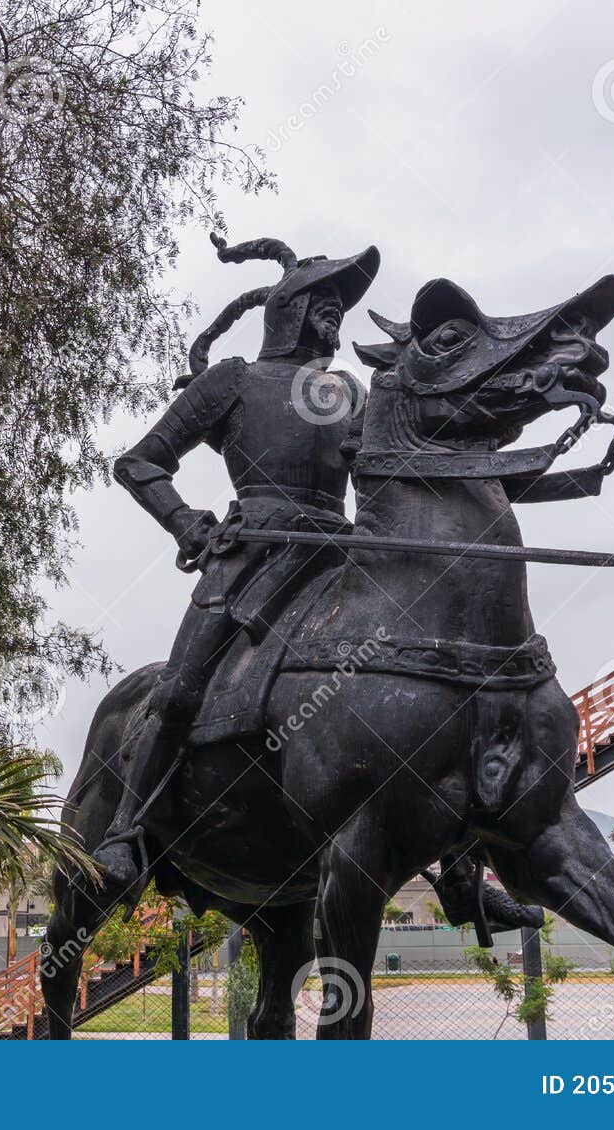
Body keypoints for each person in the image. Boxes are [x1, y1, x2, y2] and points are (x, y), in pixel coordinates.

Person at [90, 234, 380, 890]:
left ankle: (461, 872)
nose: (334, 311)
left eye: (340, 302)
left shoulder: (349, 392)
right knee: (178, 692)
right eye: (322, 299)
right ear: (289, 308)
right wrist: (186, 521)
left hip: (338, 563)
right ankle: (126, 831)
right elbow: (140, 463)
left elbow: (383, 480)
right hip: (248, 561)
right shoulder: (236, 382)